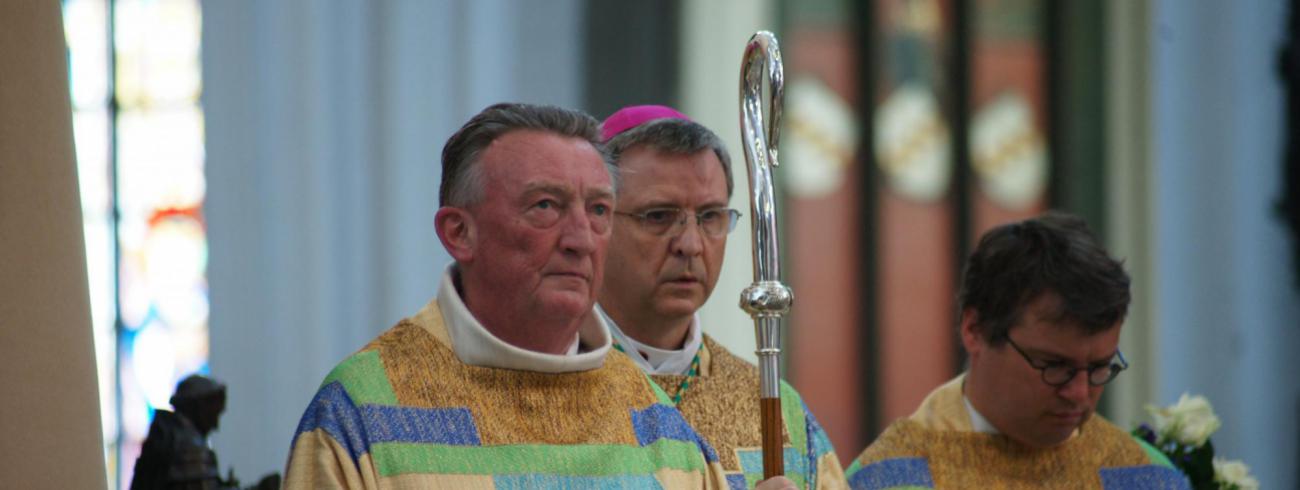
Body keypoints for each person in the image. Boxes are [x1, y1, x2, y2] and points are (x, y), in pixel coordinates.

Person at [286, 103, 769, 488]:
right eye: (545, 206)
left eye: (599, 209)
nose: (580, 238)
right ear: (459, 232)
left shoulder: (657, 421)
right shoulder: (361, 414)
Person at [597, 105, 845, 489]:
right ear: (598, 222)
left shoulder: (778, 415)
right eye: (659, 216)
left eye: (711, 216)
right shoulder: (558, 391)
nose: (691, 245)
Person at [845, 212, 1188, 489]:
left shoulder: (1145, 477)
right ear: (975, 330)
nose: (1080, 394)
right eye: (1055, 366)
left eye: (1100, 366)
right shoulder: (888, 478)